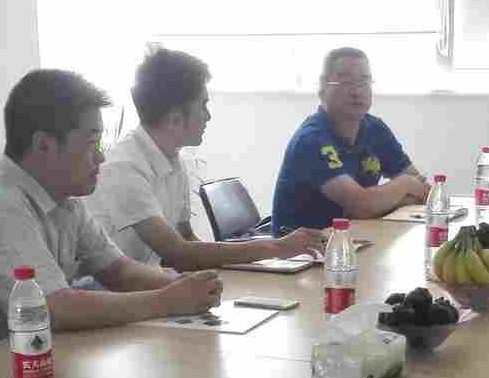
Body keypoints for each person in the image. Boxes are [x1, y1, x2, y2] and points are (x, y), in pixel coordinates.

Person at [0, 69, 224, 367]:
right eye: (91, 143)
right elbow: (56, 307)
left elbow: (119, 271)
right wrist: (168, 300)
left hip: (26, 360)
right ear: (44, 145)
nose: (100, 156)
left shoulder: (64, 199)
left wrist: (184, 286)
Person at [87, 47, 325, 270]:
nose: (208, 116)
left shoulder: (172, 159)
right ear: (175, 119)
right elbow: (176, 252)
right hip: (109, 291)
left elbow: (187, 238)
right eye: (203, 106)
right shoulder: (123, 168)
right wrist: (277, 247)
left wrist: (235, 270)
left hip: (147, 284)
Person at [271, 47, 428, 234]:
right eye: (346, 82)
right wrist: (405, 185)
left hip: (355, 238)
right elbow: (361, 205)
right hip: (305, 248)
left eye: (364, 81)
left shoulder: (375, 129)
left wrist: (378, 204)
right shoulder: (311, 140)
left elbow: (423, 190)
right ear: (323, 87)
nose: (356, 91)